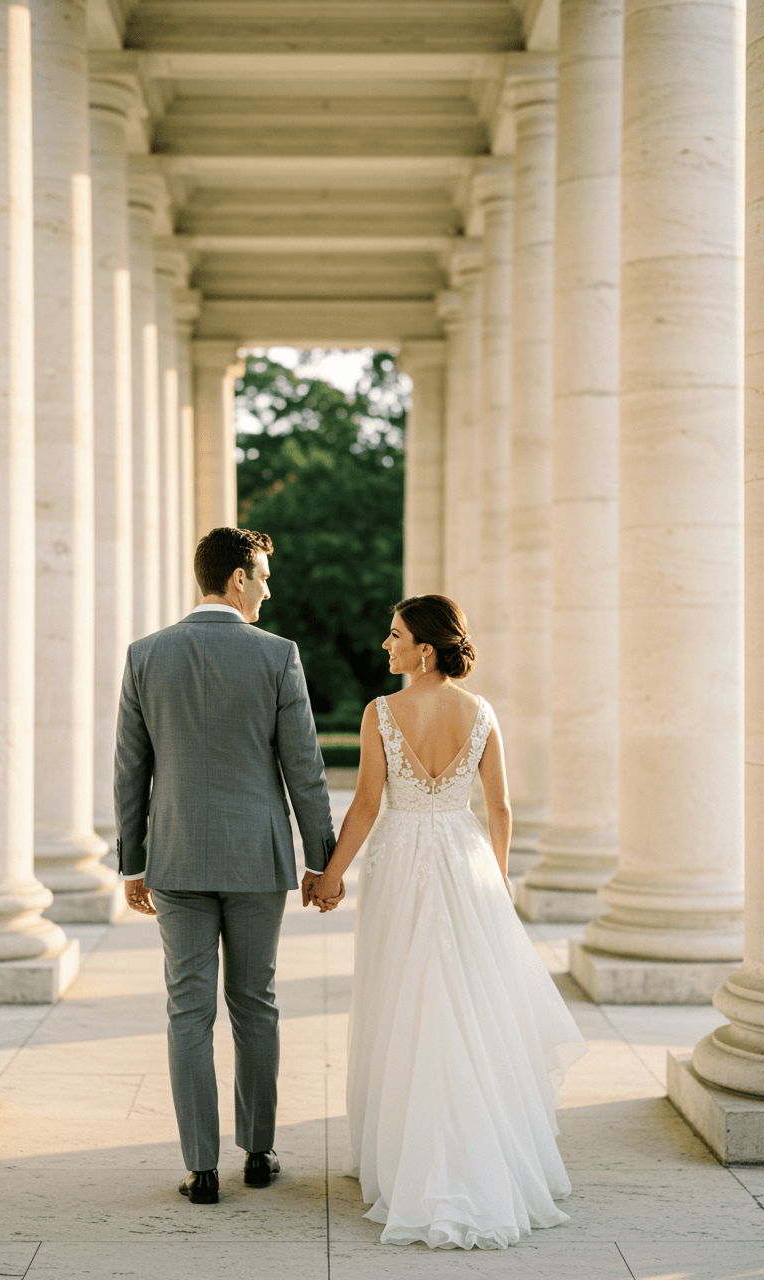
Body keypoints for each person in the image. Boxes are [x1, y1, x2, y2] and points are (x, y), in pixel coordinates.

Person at [309, 594, 587, 1250]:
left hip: (402, 858)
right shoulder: (481, 711)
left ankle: (406, 1156)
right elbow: (501, 806)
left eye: (395, 634)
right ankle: (479, 1145)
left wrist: (330, 875)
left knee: (403, 996)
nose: (386, 644)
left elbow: (369, 806)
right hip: (465, 859)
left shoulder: (384, 712)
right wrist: (495, 877)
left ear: (424, 650)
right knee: (468, 1000)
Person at [114, 526, 343, 1206]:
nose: (269, 588)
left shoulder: (145, 655)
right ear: (238, 576)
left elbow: (131, 771)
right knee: (256, 1004)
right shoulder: (278, 656)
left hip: (176, 857)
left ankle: (201, 1168)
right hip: (256, 858)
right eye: (264, 575)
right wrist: (320, 862)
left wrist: (133, 861)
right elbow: (304, 768)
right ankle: (261, 1151)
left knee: (188, 1010)